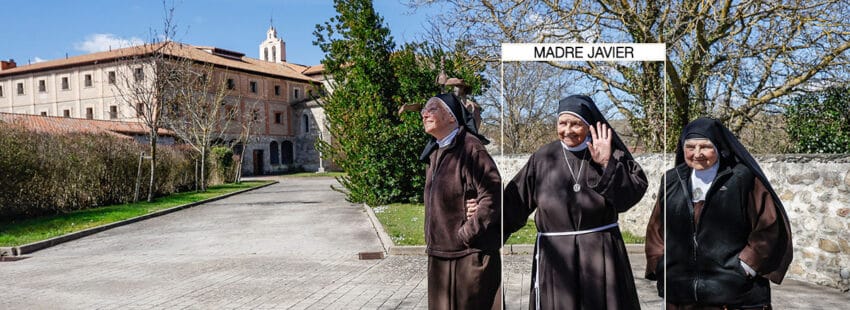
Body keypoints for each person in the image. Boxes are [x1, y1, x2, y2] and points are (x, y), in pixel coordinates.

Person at [502, 94, 648, 309]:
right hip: (555, 256)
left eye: (576, 124)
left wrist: (606, 164)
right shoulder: (543, 157)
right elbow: (514, 202)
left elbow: (629, 197)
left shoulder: (610, 153)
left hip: (600, 252)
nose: (568, 130)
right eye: (562, 123)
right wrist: (486, 221)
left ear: (590, 126)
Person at [644, 117, 793, 309]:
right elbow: (657, 228)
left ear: (718, 146)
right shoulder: (672, 180)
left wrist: (746, 266)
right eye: (690, 147)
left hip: (732, 292)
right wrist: (660, 263)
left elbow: (768, 226)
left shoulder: (742, 178)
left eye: (705, 146)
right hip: (681, 292)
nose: (697, 154)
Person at [419, 93, 502, 310]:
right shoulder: (435, 152)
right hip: (440, 255)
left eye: (432, 109)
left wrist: (466, 233)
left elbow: (492, 194)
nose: (424, 114)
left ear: (451, 117)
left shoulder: (470, 148)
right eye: (423, 111)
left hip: (467, 256)